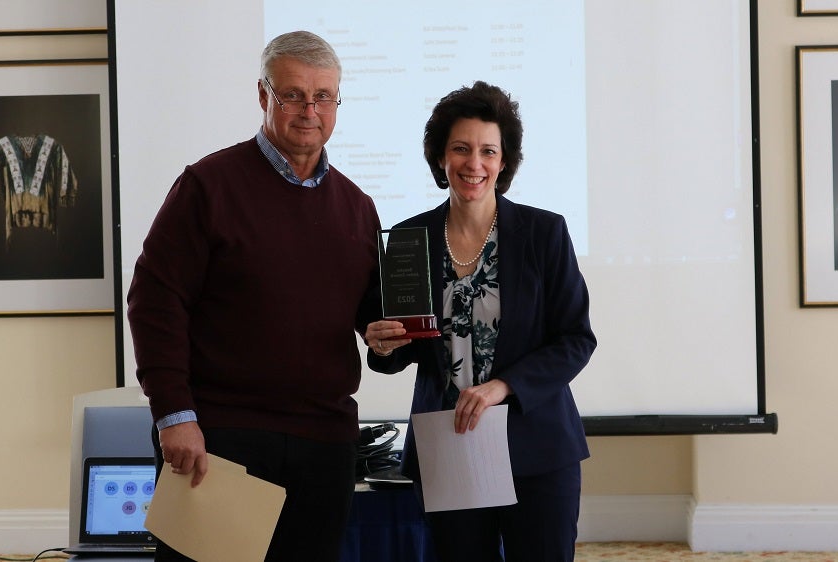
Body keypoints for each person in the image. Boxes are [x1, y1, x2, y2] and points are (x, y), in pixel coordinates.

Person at [126, 30, 381, 562]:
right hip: (219, 441)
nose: (309, 110)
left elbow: (367, 319)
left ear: (337, 102)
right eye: (292, 94)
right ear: (264, 95)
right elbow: (155, 302)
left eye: (324, 96)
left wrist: (391, 340)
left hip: (324, 446)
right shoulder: (207, 186)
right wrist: (174, 414)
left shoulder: (358, 208)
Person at [364, 81, 596, 562]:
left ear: (504, 161)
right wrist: (384, 347)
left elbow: (576, 338)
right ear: (441, 158)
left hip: (538, 447)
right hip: (449, 444)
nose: (475, 163)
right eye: (461, 149)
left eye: (488, 150)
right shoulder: (410, 237)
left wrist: (503, 386)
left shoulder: (544, 232)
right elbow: (405, 346)